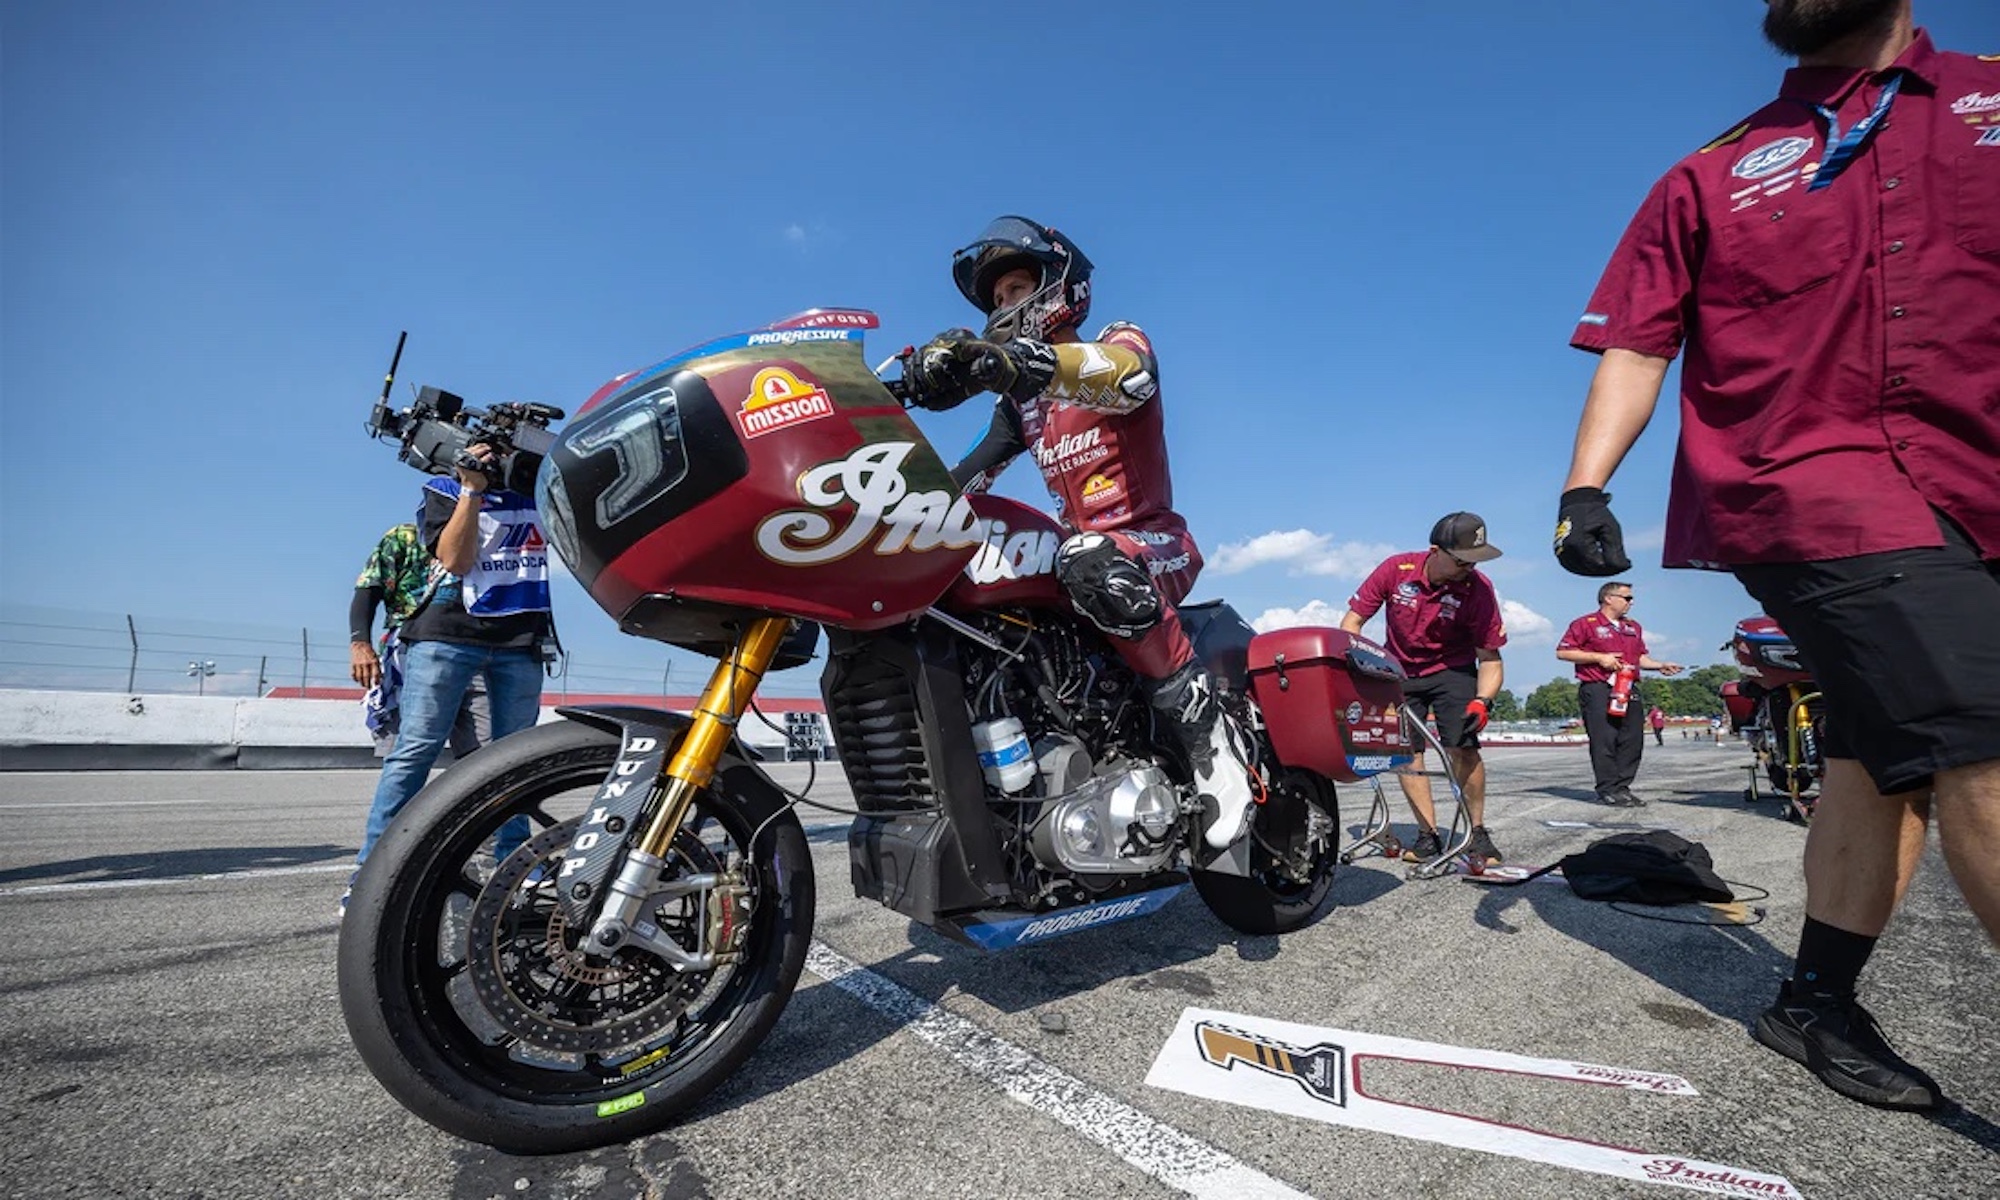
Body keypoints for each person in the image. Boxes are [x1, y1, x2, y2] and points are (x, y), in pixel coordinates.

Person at [1553, 0, 1998, 1112]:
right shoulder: (1707, 175)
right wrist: (1582, 487)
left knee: (1871, 758)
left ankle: (1811, 1000)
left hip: (1974, 476)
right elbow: (1636, 344)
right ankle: (1617, 803)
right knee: (1980, 736)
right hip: (1810, 485)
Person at [901, 215, 1256, 850]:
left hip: (1152, 544)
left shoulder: (1120, 341)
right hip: (1078, 560)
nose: (1005, 305)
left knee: (1087, 556)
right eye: (998, 299)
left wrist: (1007, 362)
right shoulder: (1023, 405)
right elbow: (968, 474)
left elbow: (1125, 375)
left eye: (1016, 288)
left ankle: (1210, 738)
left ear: (1058, 283)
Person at [346, 443, 553, 916]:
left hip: (520, 642)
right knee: (414, 751)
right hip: (443, 638)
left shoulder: (540, 498)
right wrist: (471, 488)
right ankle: (370, 873)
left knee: (511, 760)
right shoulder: (441, 494)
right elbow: (455, 561)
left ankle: (515, 866)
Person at [1339, 514, 1508, 864]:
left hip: (1453, 670)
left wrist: (1483, 700)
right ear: (1435, 551)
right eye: (1462, 560)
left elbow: (1490, 658)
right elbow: (1352, 624)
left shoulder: (1479, 589)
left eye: (1475, 560)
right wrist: (1363, 668)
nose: (1469, 568)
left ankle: (1477, 833)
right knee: (1408, 753)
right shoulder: (1395, 570)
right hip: (1399, 671)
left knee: (1462, 748)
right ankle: (1427, 834)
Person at [349, 522, 488, 762]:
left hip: (477, 654)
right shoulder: (406, 537)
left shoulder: (490, 537)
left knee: (485, 757)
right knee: (407, 753)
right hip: (410, 654)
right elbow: (368, 589)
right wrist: (360, 643)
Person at [1554, 582, 1684, 806]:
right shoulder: (1585, 624)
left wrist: (1660, 665)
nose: (1631, 603)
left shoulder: (1633, 627)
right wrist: (1598, 657)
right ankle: (1607, 788)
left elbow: (1640, 657)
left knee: (1632, 739)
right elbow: (1563, 652)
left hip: (1628, 686)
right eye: (1627, 598)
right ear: (1608, 598)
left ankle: (1623, 787)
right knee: (1604, 739)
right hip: (1598, 686)